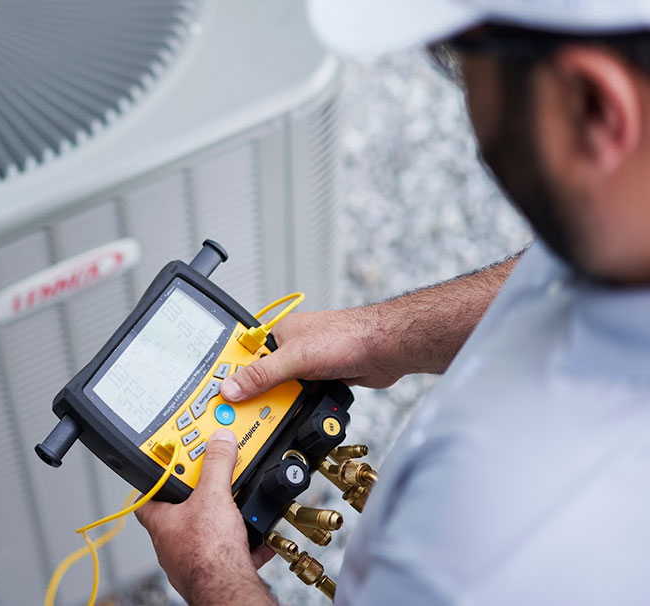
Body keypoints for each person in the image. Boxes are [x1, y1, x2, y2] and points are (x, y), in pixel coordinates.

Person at [135, 1, 650, 604]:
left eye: (455, 59)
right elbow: (579, 255)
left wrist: (212, 573)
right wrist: (384, 333)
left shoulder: (484, 551)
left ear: (594, 107)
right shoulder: (625, 219)